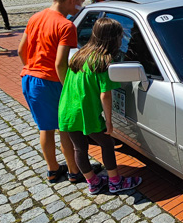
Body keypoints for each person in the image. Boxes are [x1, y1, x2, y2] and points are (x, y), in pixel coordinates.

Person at [59, 17, 143, 195]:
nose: (122, 40)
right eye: (121, 36)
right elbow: (105, 95)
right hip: (86, 113)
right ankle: (115, 181)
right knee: (107, 143)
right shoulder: (102, 62)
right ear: (113, 39)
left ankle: (93, 182)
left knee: (79, 148)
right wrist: (109, 122)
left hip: (67, 111)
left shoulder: (80, 55)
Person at [19, 0, 91, 184]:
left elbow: (21, 50)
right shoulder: (66, 25)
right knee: (65, 128)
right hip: (51, 82)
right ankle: (73, 170)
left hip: (30, 79)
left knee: (45, 128)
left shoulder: (36, 17)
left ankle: (52, 169)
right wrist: (68, 86)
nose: (81, 6)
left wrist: (33, 67)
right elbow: (60, 62)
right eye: (81, 1)